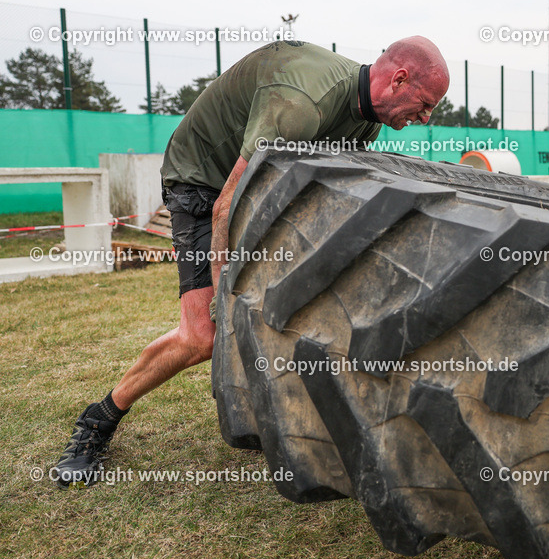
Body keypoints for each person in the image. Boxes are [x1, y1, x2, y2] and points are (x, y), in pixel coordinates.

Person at [53, 37, 450, 486]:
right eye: (425, 105)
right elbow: (226, 205)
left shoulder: (366, 125)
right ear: (398, 79)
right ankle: (96, 422)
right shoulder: (303, 102)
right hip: (202, 183)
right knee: (204, 334)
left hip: (252, 191)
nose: (424, 118)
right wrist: (225, 296)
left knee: (296, 302)